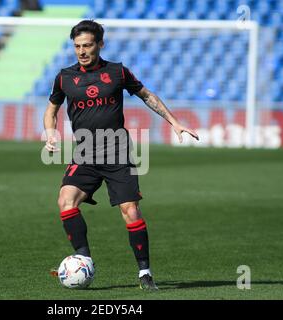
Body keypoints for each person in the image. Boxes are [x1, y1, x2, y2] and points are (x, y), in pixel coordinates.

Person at [43, 20, 199, 290]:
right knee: (65, 201)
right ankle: (83, 258)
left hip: (117, 151)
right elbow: (52, 109)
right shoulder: (64, 77)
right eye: (77, 46)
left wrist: (173, 121)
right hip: (85, 152)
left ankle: (145, 273)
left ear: (100, 44)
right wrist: (50, 131)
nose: (81, 51)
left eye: (87, 45)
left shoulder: (117, 72)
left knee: (131, 211)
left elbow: (146, 95)